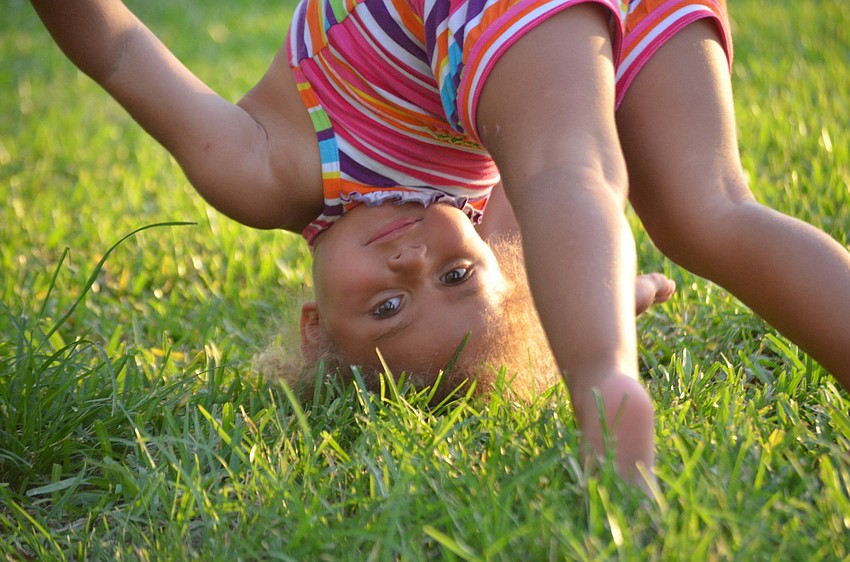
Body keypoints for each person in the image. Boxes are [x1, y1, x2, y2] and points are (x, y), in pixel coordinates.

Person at [29, 0, 850, 489]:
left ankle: (600, 373)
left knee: (579, 169)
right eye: (461, 273)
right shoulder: (490, 212)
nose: (415, 260)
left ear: (316, 325)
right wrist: (597, 294)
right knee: (708, 210)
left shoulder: (267, 172)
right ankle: (601, 370)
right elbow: (555, 232)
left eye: (389, 307)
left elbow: (120, 48)